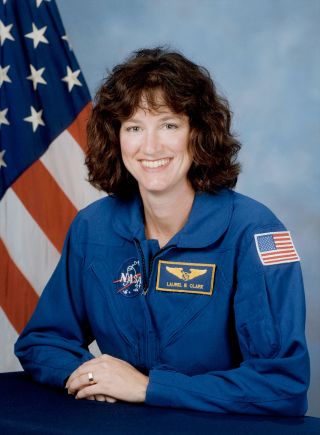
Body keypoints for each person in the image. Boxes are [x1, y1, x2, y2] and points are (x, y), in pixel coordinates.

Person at [15, 47, 310, 415]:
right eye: (134, 127)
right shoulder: (93, 228)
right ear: (116, 137)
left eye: (169, 125)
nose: (150, 146)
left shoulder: (255, 233)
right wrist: (95, 377)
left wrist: (149, 387)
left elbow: (282, 385)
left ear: (197, 133)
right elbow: (43, 340)